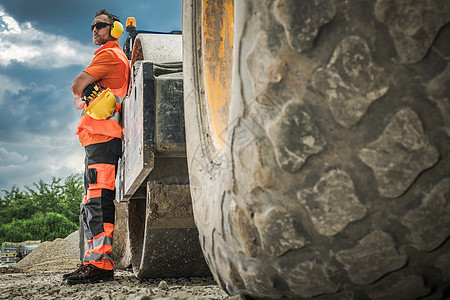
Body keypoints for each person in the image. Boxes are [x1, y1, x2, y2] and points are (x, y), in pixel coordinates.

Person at [63, 8, 130, 285]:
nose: (94, 30)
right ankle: (92, 262)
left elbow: (77, 86)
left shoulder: (108, 55)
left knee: (98, 201)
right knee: (91, 201)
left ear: (114, 30)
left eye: (101, 26)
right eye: (92, 26)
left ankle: (101, 265)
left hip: (103, 139)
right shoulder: (113, 56)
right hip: (99, 140)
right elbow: (81, 95)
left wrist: (83, 90)